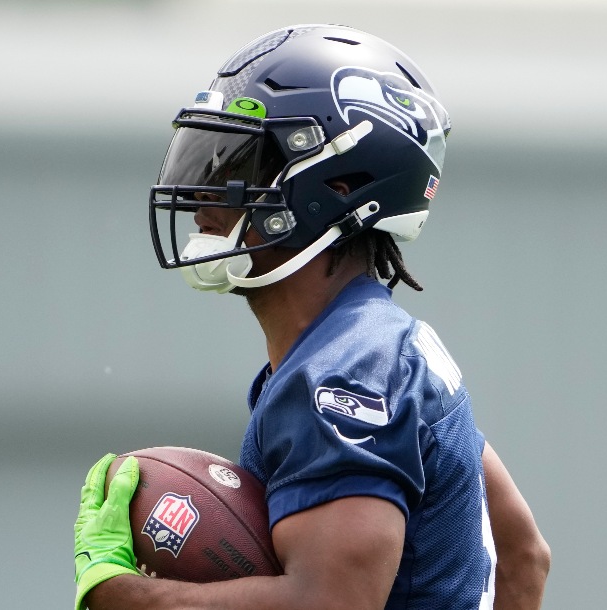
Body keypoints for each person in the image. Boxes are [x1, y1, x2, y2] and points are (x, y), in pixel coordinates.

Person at [74, 24, 550, 609]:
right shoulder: (378, 345)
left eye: (236, 165)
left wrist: (124, 596)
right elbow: (524, 554)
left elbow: (333, 603)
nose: (201, 194)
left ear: (337, 185)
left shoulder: (342, 372)